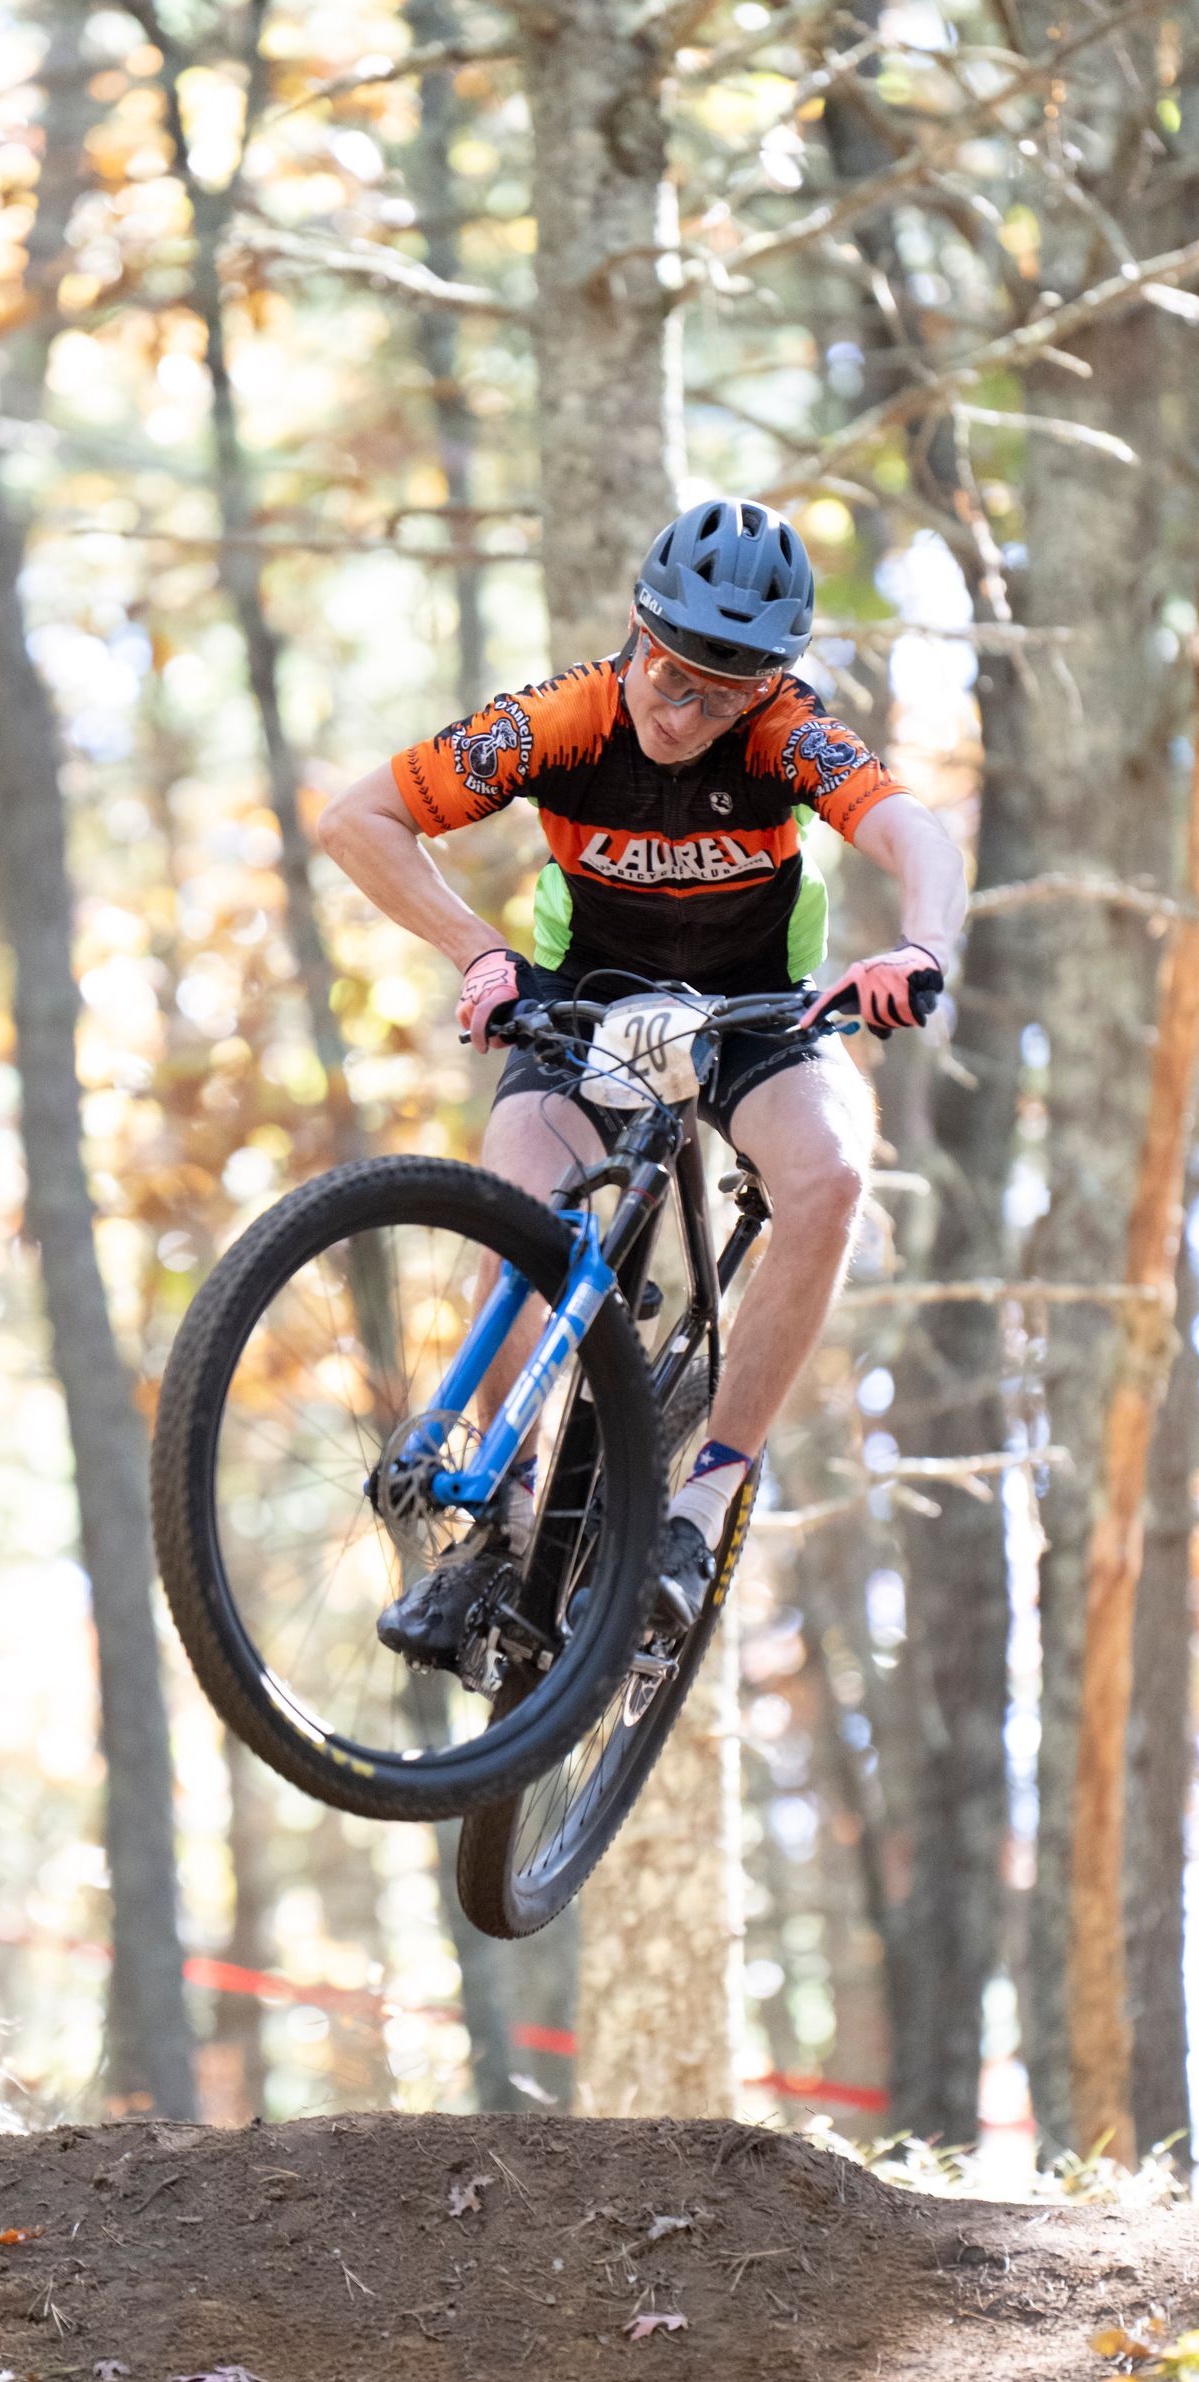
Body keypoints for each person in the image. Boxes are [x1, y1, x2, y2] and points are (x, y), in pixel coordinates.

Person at [317, 494, 967, 1670]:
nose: (690, 713)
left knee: (825, 1180)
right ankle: (503, 1531)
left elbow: (918, 834)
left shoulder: (784, 731)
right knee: (522, 1220)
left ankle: (704, 1508)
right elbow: (355, 819)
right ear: (637, 632)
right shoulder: (555, 722)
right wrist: (479, 955)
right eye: (672, 678)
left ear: (766, 684)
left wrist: (921, 947)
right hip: (587, 1001)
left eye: (726, 694)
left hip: (755, 1010)